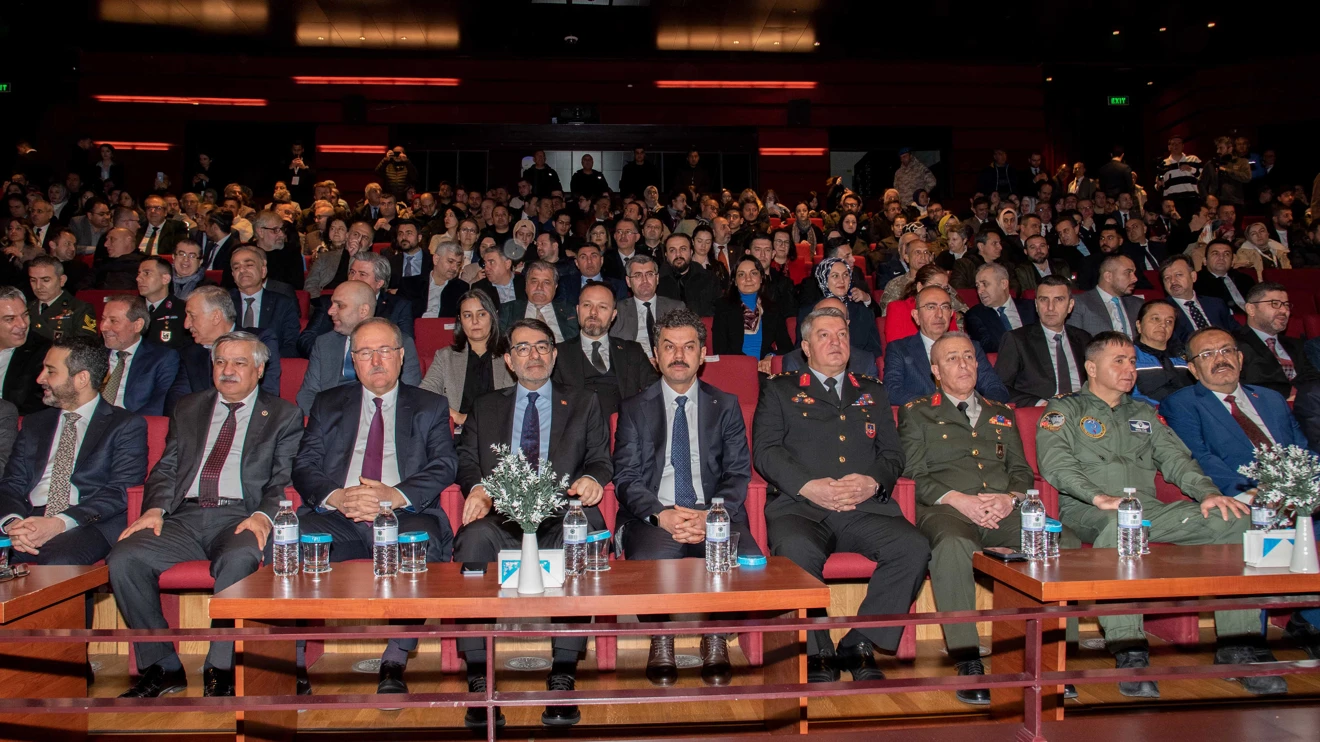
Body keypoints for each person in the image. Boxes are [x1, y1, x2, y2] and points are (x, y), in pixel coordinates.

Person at [1038, 331, 1287, 698]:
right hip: (1088, 509)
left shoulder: (1143, 413)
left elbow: (1176, 461)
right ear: (1091, 367)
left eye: (1132, 362)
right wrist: (1098, 496)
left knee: (1234, 520)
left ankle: (1238, 644)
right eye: (1118, 361)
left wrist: (1209, 494)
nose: (1129, 369)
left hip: (1148, 508)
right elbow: (1055, 463)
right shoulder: (1066, 410)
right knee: (1120, 526)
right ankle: (1130, 649)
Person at [111, 331, 303, 699]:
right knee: (125, 557)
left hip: (240, 515)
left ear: (260, 369)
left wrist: (265, 515)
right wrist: (153, 510)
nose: (227, 370)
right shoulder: (189, 406)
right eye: (220, 362)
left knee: (241, 557)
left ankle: (220, 668)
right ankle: (163, 666)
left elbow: (283, 476)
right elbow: (167, 468)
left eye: (239, 363)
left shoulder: (283, 414)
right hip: (184, 515)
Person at [898, 331, 1080, 705]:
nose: (964, 364)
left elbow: (1021, 471)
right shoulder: (917, 412)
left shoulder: (1002, 413)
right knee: (953, 546)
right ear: (935, 370)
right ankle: (967, 658)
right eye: (952, 359)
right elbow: (913, 473)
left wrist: (1010, 499)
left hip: (1003, 509)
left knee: (1059, 540)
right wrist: (961, 501)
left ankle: (1055, 658)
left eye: (968, 357)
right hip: (947, 510)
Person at [754, 306, 930, 683]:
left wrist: (872, 482)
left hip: (863, 507)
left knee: (912, 547)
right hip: (800, 508)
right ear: (805, 346)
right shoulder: (780, 389)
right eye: (824, 335)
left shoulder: (872, 392)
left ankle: (860, 641)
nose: (835, 342)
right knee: (795, 551)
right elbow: (766, 451)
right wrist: (808, 486)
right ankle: (817, 652)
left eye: (842, 335)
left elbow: (893, 455)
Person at [453, 318, 613, 729]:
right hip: (501, 517)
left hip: (561, 513)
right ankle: (478, 676)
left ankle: (563, 673)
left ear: (554, 354)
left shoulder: (582, 402)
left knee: (584, 536)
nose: (534, 355)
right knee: (472, 542)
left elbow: (599, 457)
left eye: (542, 346)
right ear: (508, 360)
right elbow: (467, 461)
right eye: (522, 348)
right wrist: (479, 488)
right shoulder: (486, 406)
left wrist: (592, 479)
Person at [295, 318, 455, 696]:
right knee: (295, 540)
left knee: (423, 541)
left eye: (385, 351)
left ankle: (395, 658)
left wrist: (392, 496)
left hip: (403, 513)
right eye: (366, 353)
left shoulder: (430, 405)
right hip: (340, 514)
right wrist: (338, 496)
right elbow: (304, 465)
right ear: (353, 359)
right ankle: (292, 659)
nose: (377, 360)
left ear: (401, 356)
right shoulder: (328, 402)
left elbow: (444, 464)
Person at [613, 309, 762, 687]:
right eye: (669, 347)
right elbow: (627, 478)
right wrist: (660, 515)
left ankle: (716, 639)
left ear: (702, 354)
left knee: (748, 560)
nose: (679, 355)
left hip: (712, 512)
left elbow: (737, 472)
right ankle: (661, 640)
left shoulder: (725, 405)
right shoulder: (633, 407)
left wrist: (712, 516)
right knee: (651, 556)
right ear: (655, 354)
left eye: (688, 347)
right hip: (655, 515)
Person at [0, 334, 145, 568]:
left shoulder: (124, 425)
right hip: (29, 517)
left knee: (59, 559)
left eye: (51, 371)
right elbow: (11, 484)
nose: (40, 379)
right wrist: (14, 523)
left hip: (85, 522)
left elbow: (120, 491)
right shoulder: (35, 424)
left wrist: (59, 522)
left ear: (81, 379)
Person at [1164, 327, 1312, 499]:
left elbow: (1301, 450)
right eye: (1207, 354)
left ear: (1240, 359)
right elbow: (1199, 459)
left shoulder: (1272, 399)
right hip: (1248, 498)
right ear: (1194, 369)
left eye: (1226, 350)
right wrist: (1256, 497)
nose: (1220, 359)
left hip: (1302, 493)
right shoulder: (1183, 404)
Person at [297, 281, 422, 414]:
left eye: (340, 305)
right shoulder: (324, 343)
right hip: (330, 421)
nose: (330, 311)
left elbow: (409, 395)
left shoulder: (398, 343)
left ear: (363, 311)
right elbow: (307, 394)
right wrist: (329, 421)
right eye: (332, 304)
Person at [885, 285, 1008, 406]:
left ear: (951, 314)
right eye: (931, 307)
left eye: (945, 307)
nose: (939, 314)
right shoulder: (900, 349)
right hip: (927, 419)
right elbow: (892, 391)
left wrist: (978, 409)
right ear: (916, 316)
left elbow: (996, 388)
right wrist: (939, 406)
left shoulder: (971, 347)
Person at [550, 282, 657, 420]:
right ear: (577, 310)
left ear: (613, 315)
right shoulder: (558, 353)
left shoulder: (632, 350)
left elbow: (654, 390)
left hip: (626, 430)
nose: (593, 312)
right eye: (587, 305)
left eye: (602, 307)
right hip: (578, 432)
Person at [168, 286, 281, 409]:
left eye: (192, 316)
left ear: (216, 316)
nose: (186, 324)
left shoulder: (258, 340)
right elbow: (176, 400)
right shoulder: (191, 352)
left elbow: (268, 393)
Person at [419, 291, 515, 428]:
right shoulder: (445, 356)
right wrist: (457, 417)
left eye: (481, 314)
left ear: (492, 317)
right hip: (458, 433)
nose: (475, 321)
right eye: (467, 315)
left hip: (499, 430)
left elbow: (517, 400)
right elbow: (424, 395)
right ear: (460, 320)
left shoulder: (509, 356)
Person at [993, 275, 1091, 407]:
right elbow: (1000, 388)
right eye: (1044, 300)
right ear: (1036, 305)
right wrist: (1039, 403)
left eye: (1059, 299)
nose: (1050, 307)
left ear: (1070, 306)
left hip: (1085, 410)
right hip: (1043, 414)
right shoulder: (1017, 340)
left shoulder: (1083, 338)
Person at [99, 295, 179, 416]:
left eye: (113, 321)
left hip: (131, 425)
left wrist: (123, 425)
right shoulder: (93, 353)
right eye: (103, 319)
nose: (103, 327)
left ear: (137, 325)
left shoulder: (162, 358)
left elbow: (160, 403)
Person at [1237, 283, 1319, 397]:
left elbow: (1313, 379)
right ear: (1251, 309)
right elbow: (1244, 386)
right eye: (1275, 304)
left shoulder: (1296, 344)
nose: (1284, 310)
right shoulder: (1234, 344)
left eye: (1286, 305)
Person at [711, 255, 793, 368]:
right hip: (735, 368)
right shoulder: (723, 307)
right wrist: (750, 365)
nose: (748, 279)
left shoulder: (772, 309)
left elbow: (787, 347)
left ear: (761, 278)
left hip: (765, 370)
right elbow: (721, 350)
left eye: (753, 273)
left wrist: (771, 356)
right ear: (735, 281)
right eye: (741, 274)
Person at [801, 256, 883, 355]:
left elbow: (875, 352)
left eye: (845, 275)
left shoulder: (864, 313)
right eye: (835, 276)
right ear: (823, 279)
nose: (842, 281)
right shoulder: (807, 313)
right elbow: (800, 353)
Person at [229, 246, 301, 359]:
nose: (242, 270)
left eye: (249, 265)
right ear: (233, 276)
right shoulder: (224, 303)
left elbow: (291, 346)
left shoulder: (283, 304)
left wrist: (263, 362)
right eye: (236, 267)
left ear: (263, 271)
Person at [1158, 254, 1235, 351]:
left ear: (1193, 276)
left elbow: (1236, 332)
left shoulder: (1216, 304)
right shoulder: (1162, 311)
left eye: (1178, 275)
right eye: (1167, 278)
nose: (1173, 281)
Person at [611, 254, 683, 358]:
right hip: (631, 365)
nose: (644, 280)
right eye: (637, 275)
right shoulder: (617, 310)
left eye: (649, 274)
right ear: (628, 281)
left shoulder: (676, 308)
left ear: (657, 278)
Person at [0, 286, 53, 415]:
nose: (23, 324)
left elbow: (38, 409)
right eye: (10, 319)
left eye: (25, 315)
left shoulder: (45, 353)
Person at [497, 260, 579, 343]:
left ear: (555, 287)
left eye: (546, 282)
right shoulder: (508, 310)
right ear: (526, 285)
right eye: (534, 281)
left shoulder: (569, 310)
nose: (539, 287)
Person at [1131, 300, 1194, 405]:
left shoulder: (1185, 359)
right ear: (1139, 325)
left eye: (1169, 321)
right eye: (1156, 319)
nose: (1163, 325)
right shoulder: (1129, 358)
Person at [965, 262, 1037, 353]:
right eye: (977, 286)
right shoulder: (975, 315)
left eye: (985, 284)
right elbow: (987, 345)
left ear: (1003, 284)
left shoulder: (1031, 307)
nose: (980, 291)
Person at [1066, 255, 1141, 338]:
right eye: (1128, 273)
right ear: (1108, 276)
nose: (1135, 279)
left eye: (1134, 273)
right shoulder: (1079, 303)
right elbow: (1075, 342)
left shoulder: (1138, 304)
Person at [27, 256, 98, 342]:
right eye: (33, 280)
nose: (38, 286)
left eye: (45, 280)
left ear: (62, 280)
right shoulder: (26, 307)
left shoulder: (80, 309)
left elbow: (85, 345)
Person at [136, 257, 192, 350]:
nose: (138, 278)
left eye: (147, 273)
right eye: (138, 274)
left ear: (165, 279)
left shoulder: (182, 310)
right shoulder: (131, 308)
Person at [657, 233, 719, 318]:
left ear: (691, 252)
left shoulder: (709, 279)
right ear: (666, 255)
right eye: (672, 250)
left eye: (683, 249)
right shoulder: (657, 282)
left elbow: (719, 310)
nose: (678, 254)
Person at [1193, 239, 1255, 314]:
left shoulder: (1245, 280)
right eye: (1215, 253)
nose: (1221, 257)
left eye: (1226, 254)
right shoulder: (1196, 283)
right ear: (1205, 261)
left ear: (1232, 262)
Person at [417, 238, 467, 319]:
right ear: (436, 259)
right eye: (450, 261)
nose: (455, 268)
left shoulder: (462, 288)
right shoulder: (411, 285)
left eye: (458, 264)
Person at [471, 241, 526, 310]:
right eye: (485, 264)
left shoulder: (525, 283)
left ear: (507, 264)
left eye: (491, 262)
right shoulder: (480, 289)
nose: (486, 268)